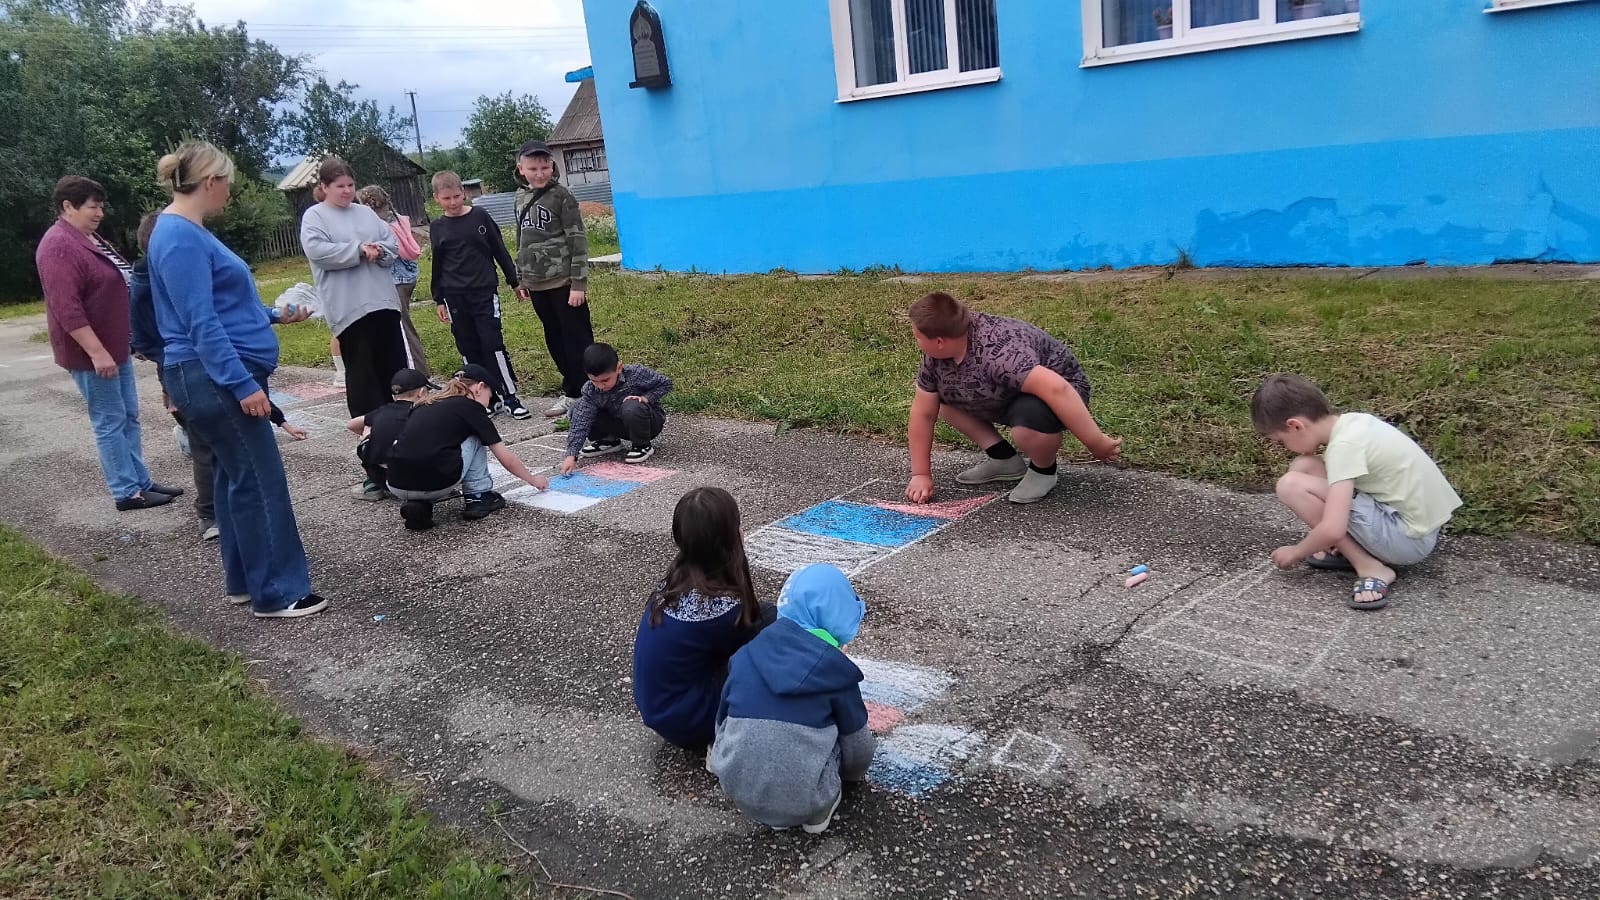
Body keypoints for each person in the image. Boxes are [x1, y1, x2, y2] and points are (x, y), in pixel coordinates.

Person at [147, 141, 325, 618]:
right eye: (228, 183)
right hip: (215, 377)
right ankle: (279, 592)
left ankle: (246, 581)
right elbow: (199, 322)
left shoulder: (183, 231)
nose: (230, 193)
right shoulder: (180, 236)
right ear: (211, 182)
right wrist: (242, 384)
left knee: (234, 478)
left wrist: (273, 315)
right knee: (260, 482)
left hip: (212, 373)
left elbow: (223, 306)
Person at [130, 214, 304, 540]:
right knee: (212, 451)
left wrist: (273, 315)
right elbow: (154, 336)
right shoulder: (155, 275)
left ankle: (231, 526)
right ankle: (210, 514)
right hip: (197, 371)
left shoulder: (187, 261)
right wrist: (170, 378)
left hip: (223, 364)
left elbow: (226, 310)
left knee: (232, 456)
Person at [1252, 373, 1462, 611]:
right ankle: (1351, 550)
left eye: (1281, 441)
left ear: (1295, 425)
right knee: (1304, 466)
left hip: (1409, 540)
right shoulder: (1354, 424)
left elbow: (1333, 528)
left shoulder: (1344, 447)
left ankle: (1370, 567)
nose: (1285, 448)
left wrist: (1297, 552)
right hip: (1415, 525)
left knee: (1290, 485)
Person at [37, 176, 182, 511]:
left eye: (101, 206)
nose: (100, 213)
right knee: (109, 421)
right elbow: (66, 308)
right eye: (93, 206)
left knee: (128, 416)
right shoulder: (58, 245)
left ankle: (140, 481)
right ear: (68, 206)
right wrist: (96, 351)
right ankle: (126, 491)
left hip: (115, 347)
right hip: (93, 353)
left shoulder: (89, 238)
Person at [903, 291, 1121, 506]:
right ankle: (1004, 460)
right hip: (1010, 393)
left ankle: (1044, 470)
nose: (917, 342)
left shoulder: (999, 352)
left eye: (918, 338)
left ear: (939, 341)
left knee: (1028, 420)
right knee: (942, 401)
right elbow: (923, 413)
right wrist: (921, 474)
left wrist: (1095, 441)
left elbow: (1058, 389)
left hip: (1062, 395)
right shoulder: (936, 358)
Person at [709, 563, 874, 835]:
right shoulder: (835, 671)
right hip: (807, 799)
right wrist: (850, 777)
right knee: (836, 738)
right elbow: (859, 753)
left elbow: (721, 722)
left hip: (737, 788)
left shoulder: (745, 654)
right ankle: (816, 813)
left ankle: (769, 806)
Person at [632, 487, 772, 751]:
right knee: (770, 656)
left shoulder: (675, 582)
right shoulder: (720, 608)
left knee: (768, 616)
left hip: (660, 706)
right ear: (729, 540)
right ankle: (725, 744)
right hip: (688, 719)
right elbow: (751, 647)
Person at [300, 157, 406, 419]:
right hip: (350, 308)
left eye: (350, 185)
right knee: (363, 372)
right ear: (324, 187)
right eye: (340, 186)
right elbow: (318, 251)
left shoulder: (365, 213)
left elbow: (391, 243)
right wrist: (358, 250)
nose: (347, 191)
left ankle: (401, 417)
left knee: (393, 367)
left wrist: (379, 250)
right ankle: (369, 424)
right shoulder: (315, 216)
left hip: (382, 302)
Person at [384, 364, 550, 530]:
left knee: (423, 447)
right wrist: (533, 480)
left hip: (395, 482)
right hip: (437, 483)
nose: (488, 404)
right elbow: (505, 458)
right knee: (476, 436)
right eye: (490, 396)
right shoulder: (471, 407)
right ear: (480, 388)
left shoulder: (424, 404)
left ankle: (419, 505)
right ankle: (478, 496)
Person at [428, 171, 527, 418]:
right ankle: (485, 399)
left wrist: (514, 282)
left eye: (456, 196)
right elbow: (437, 264)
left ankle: (510, 396)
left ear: (463, 193)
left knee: (492, 344)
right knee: (468, 348)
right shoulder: (437, 227)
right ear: (436, 198)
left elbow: (499, 250)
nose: (453, 202)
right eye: (446, 198)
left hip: (484, 292)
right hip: (454, 296)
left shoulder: (480, 216)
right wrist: (439, 298)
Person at [512, 139, 591, 418]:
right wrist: (521, 278)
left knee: (577, 340)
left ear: (552, 166)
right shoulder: (520, 197)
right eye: (533, 168)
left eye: (545, 167)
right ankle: (571, 390)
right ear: (521, 169)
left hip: (563, 282)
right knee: (555, 339)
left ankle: (587, 392)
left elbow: (578, 240)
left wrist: (578, 284)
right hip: (537, 283)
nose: (540, 173)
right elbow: (521, 241)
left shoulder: (562, 196)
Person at [354, 184, 431, 381]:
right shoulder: (396, 218)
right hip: (407, 277)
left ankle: (418, 374)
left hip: (396, 280)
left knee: (403, 328)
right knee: (401, 326)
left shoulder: (379, 226)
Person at [558, 343, 671, 473]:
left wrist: (646, 398)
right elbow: (581, 421)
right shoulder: (590, 390)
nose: (600, 386)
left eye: (605, 380)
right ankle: (608, 441)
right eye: (594, 381)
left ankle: (642, 446)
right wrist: (571, 455)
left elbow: (665, 383)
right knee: (578, 408)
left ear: (619, 368)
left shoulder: (636, 374)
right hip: (618, 424)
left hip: (646, 423)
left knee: (631, 405)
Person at [346, 367, 428, 501]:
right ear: (422, 393)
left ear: (394, 396)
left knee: (369, 426)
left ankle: (372, 485)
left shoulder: (383, 411)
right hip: (422, 479)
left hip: (384, 479)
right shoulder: (426, 411)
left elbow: (351, 425)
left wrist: (371, 436)